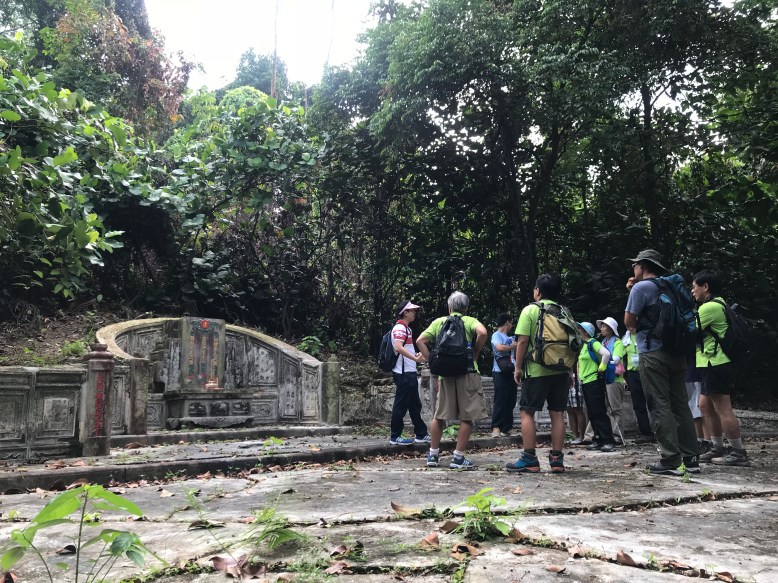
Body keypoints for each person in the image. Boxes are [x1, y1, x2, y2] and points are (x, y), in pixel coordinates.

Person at [624, 249, 699, 476]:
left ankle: (671, 459)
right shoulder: (671, 286)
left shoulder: (641, 287)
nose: (633, 269)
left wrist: (631, 291)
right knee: (679, 403)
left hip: (653, 353)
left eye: (635, 265)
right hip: (677, 353)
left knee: (659, 403)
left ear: (643, 266)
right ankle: (691, 457)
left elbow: (629, 322)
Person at [505, 274, 574, 473]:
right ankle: (557, 460)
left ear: (538, 291)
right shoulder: (564, 311)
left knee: (527, 411)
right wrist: (569, 370)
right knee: (557, 413)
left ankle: (529, 459)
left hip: (536, 370)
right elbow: (572, 343)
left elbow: (523, 341)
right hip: (561, 370)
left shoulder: (531, 310)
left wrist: (517, 368)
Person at [417, 291, 488, 469]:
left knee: (439, 416)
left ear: (449, 307)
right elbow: (483, 332)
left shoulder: (440, 322)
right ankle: (457, 458)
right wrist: (474, 353)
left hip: (445, 374)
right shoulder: (469, 321)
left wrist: (432, 361)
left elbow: (420, 340)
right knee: (467, 417)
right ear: (465, 308)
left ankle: (433, 456)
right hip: (468, 372)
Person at [691, 270, 750, 466]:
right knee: (704, 405)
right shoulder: (718, 304)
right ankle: (716, 447)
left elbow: (689, 331)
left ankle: (738, 451)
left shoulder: (709, 308)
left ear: (705, 287)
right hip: (709, 363)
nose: (692, 291)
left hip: (717, 362)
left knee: (723, 408)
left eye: (694, 287)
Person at [388, 300, 430, 446]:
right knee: (400, 405)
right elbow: (398, 347)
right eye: (412, 311)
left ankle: (421, 433)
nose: (414, 313)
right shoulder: (400, 328)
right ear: (405, 312)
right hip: (404, 373)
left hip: (409, 372)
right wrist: (414, 358)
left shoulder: (407, 329)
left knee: (414, 405)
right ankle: (395, 436)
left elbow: (407, 349)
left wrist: (420, 358)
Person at [577, 321, 617, 452]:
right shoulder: (584, 345)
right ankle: (598, 439)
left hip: (594, 380)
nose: (578, 331)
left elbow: (606, 354)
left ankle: (608, 440)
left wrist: (602, 367)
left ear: (585, 331)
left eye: (580, 329)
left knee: (599, 411)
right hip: (586, 382)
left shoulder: (593, 342)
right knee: (592, 412)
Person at [597, 316, 628, 442]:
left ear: (611, 329)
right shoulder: (602, 343)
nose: (602, 328)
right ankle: (607, 434)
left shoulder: (617, 343)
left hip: (615, 379)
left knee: (615, 408)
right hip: (604, 378)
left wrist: (603, 361)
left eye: (604, 326)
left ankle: (617, 435)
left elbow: (615, 359)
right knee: (604, 407)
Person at [490, 313, 518, 438]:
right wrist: (512, 346)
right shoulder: (496, 335)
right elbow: (499, 347)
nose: (512, 325)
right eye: (511, 322)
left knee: (510, 399)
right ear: (507, 322)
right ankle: (496, 427)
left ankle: (507, 427)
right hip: (499, 371)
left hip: (511, 370)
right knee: (500, 399)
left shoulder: (510, 337)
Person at [622, 329, 653, 440]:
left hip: (647, 371)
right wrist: (623, 376)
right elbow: (620, 356)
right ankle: (645, 433)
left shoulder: (644, 334)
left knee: (653, 401)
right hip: (632, 374)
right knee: (638, 404)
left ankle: (659, 430)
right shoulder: (625, 339)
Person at [567, 373, 587, 445]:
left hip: (576, 378)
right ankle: (575, 436)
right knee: (569, 409)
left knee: (577, 409)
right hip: (564, 379)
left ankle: (582, 437)